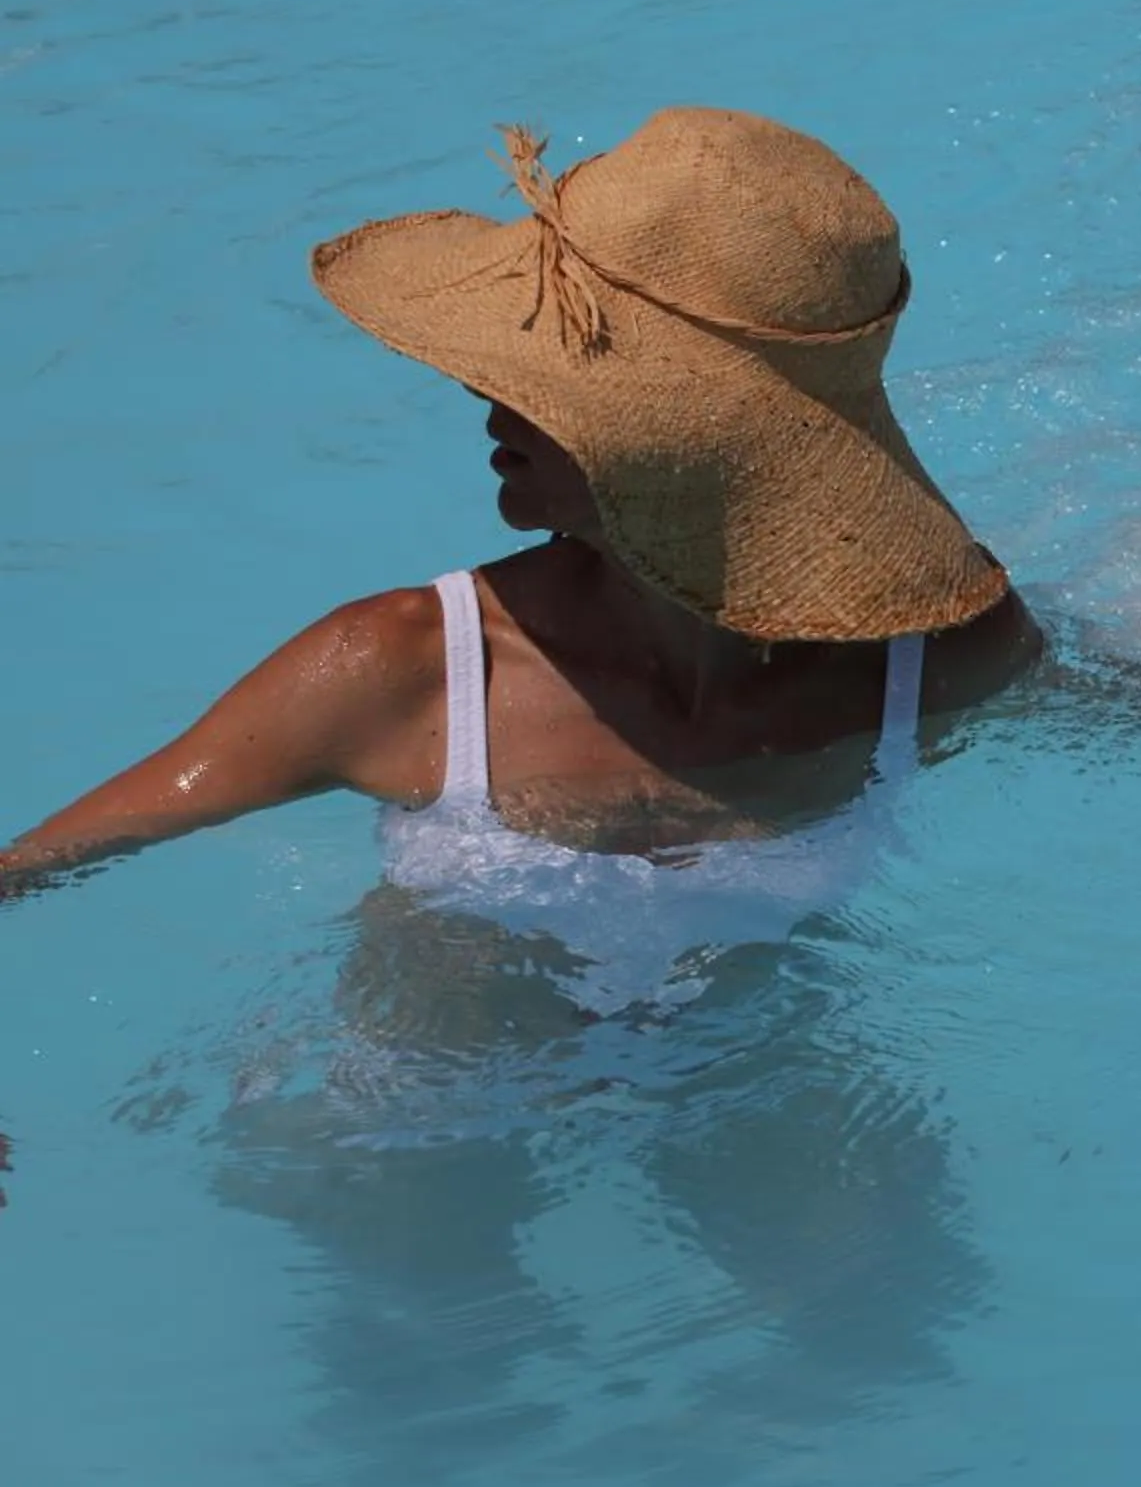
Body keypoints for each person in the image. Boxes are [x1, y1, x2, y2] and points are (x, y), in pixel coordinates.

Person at [0, 107, 1044, 943]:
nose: (489, 404)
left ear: (694, 443)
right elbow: (30, 869)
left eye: (555, 381)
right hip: (421, 1102)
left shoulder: (938, 657)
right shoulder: (401, 670)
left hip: (779, 1087)